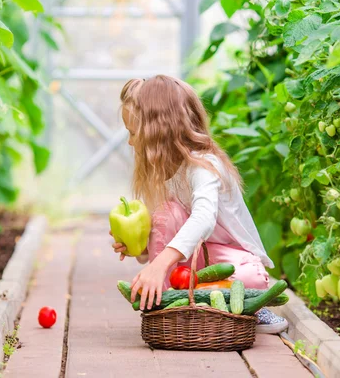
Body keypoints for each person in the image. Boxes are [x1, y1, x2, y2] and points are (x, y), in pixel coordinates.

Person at [110, 75, 288, 334]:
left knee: (252, 279)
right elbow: (161, 237)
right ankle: (178, 301)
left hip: (225, 257)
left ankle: (248, 305)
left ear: (157, 131)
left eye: (133, 133)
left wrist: (159, 267)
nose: (130, 142)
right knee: (165, 213)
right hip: (191, 264)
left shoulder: (204, 166)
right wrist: (137, 247)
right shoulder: (162, 173)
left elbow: (203, 218)